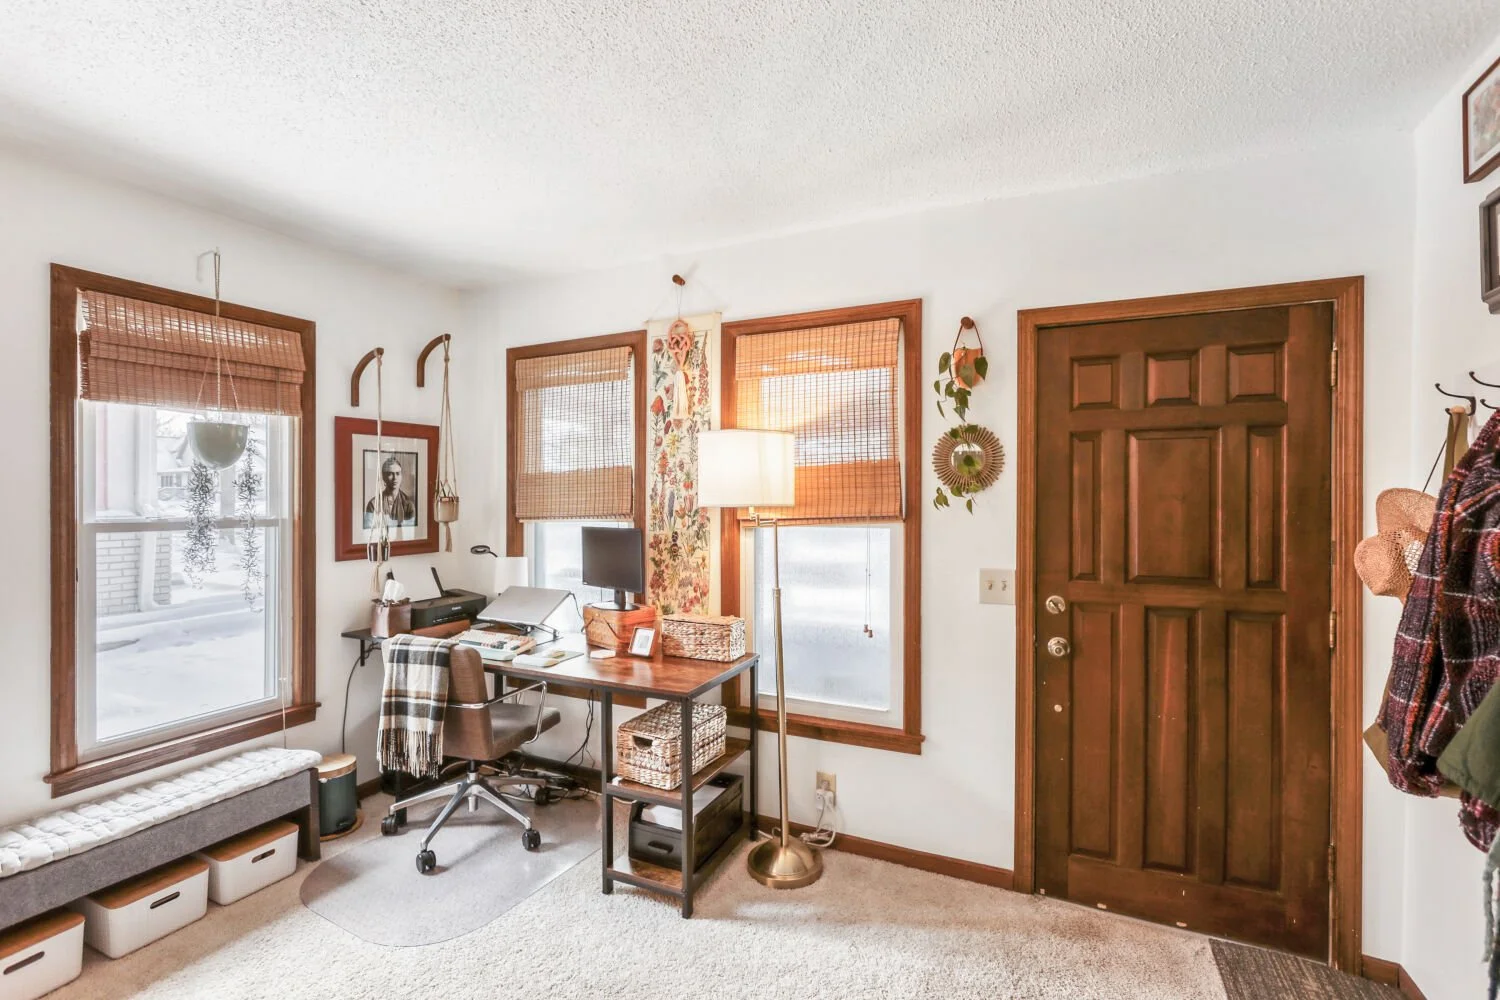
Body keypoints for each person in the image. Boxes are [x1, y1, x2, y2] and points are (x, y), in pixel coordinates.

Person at [365, 456, 417, 526]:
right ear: (383, 477)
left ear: (401, 476)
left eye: (398, 473)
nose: (395, 478)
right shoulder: (373, 504)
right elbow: (369, 531)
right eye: (390, 474)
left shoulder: (409, 505)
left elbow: (411, 531)